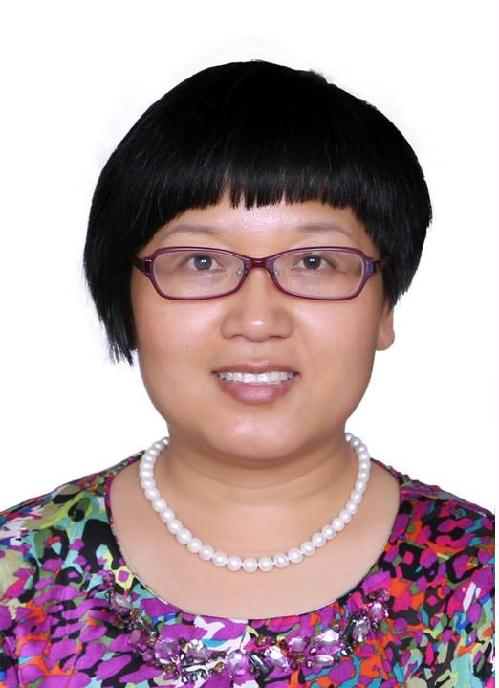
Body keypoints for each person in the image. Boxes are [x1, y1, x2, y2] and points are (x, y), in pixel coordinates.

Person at [0, 60, 494, 687]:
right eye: (201, 261)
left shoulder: (481, 577)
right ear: (126, 301)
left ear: (384, 307)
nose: (257, 320)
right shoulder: (16, 578)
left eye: (314, 261)